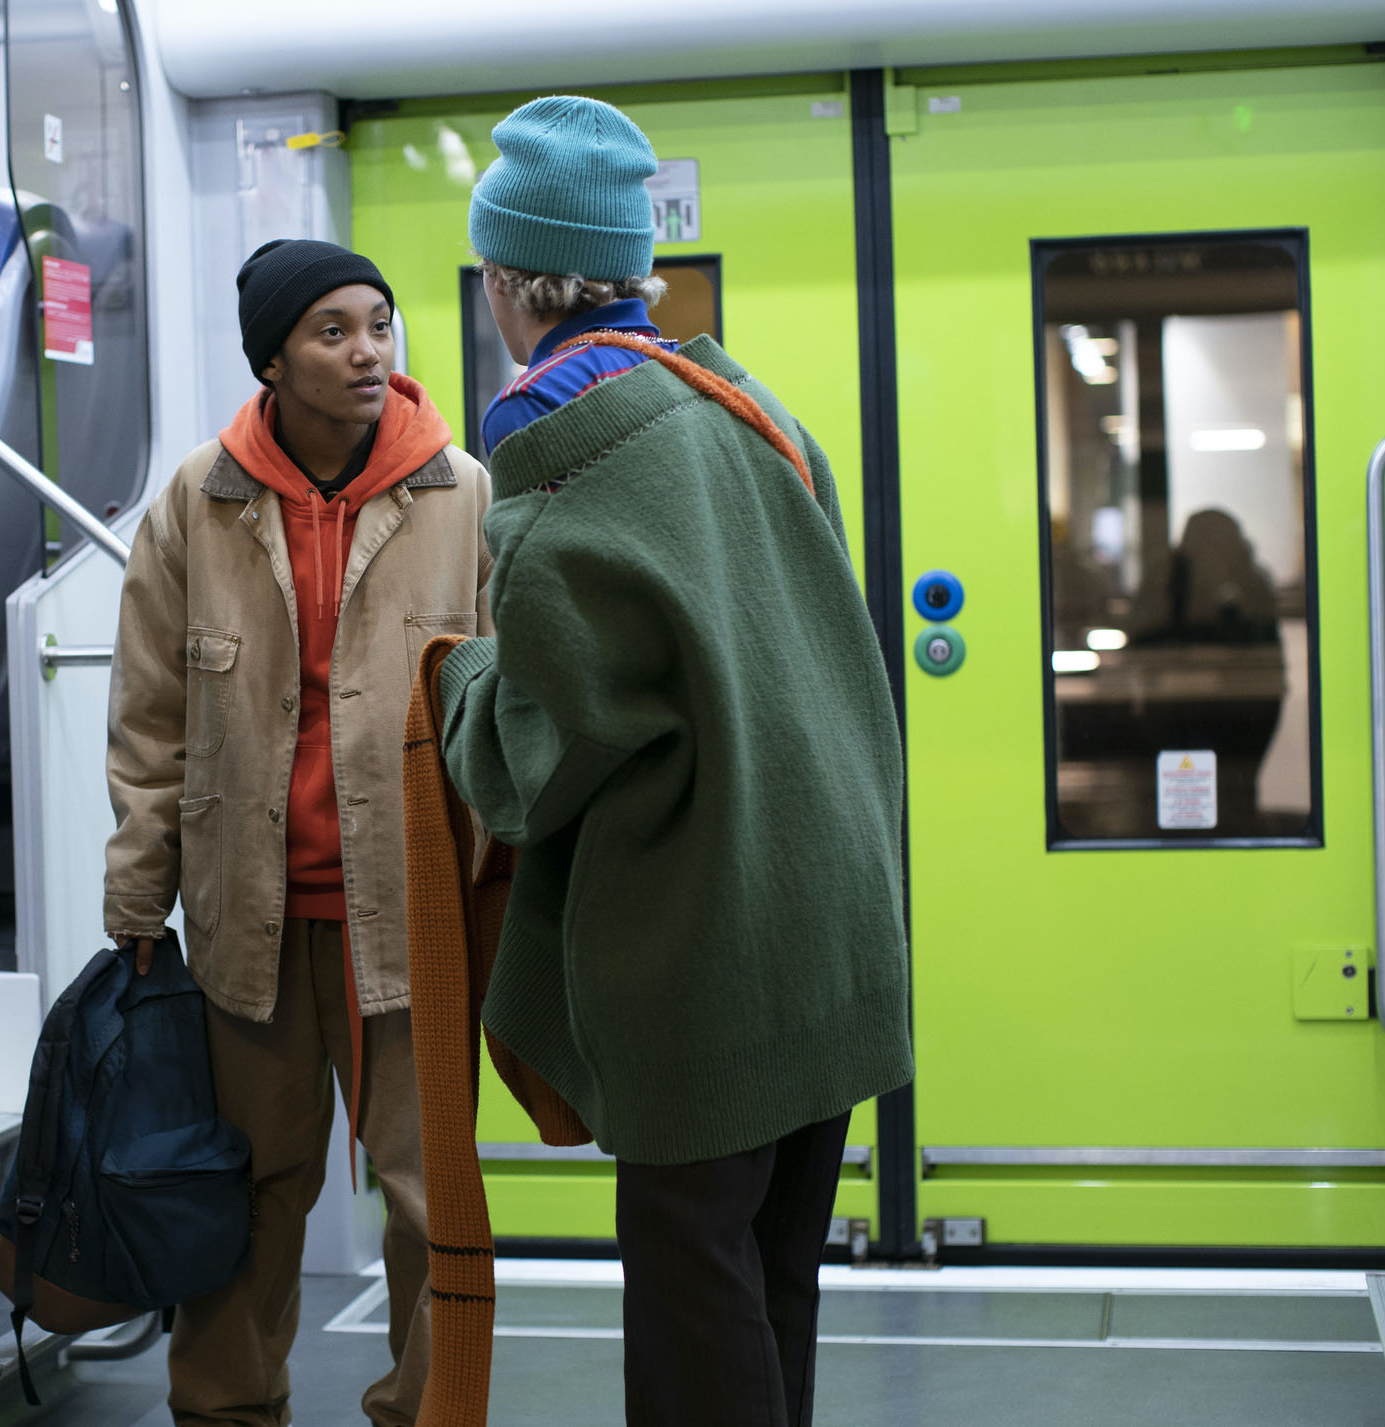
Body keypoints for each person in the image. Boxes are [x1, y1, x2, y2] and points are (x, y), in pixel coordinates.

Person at [440, 97, 912, 1427]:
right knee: (772, 1281)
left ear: (507, 281)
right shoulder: (746, 404)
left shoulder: (558, 445)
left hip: (708, 951)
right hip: (830, 928)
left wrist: (456, 676)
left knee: (695, 1298)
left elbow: (541, 751)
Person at [103, 238, 492, 1427]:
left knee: (433, 1202)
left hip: (416, 914)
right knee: (251, 1191)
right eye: (333, 330)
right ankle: (226, 1408)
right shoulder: (198, 498)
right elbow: (150, 719)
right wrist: (136, 898)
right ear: (273, 356)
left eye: (380, 323)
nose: (368, 350)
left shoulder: (459, 490)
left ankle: (431, 1412)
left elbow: (505, 707)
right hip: (245, 923)